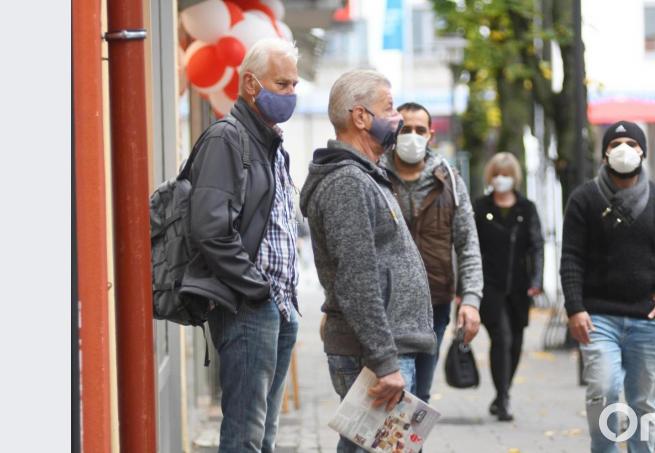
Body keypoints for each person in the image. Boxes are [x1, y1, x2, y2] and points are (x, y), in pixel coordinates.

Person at [299, 70, 436, 453]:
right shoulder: (348, 183)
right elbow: (357, 279)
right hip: (375, 354)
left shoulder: (365, 176)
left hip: (384, 348)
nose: (397, 118)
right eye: (389, 108)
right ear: (360, 116)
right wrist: (385, 361)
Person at [184, 38, 301, 453]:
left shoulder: (271, 144)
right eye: (282, 84)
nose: (291, 93)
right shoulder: (227, 139)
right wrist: (257, 290)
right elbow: (211, 230)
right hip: (248, 307)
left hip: (277, 307)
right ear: (251, 84)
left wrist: (280, 300)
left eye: (294, 84)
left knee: (264, 433)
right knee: (245, 436)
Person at [560, 120, 655, 452]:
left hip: (648, 318)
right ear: (604, 154)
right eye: (615, 144)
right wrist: (575, 308)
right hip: (598, 318)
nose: (623, 150)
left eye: (631, 143)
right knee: (603, 391)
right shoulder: (584, 199)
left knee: (643, 402)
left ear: (642, 151)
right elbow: (571, 257)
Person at [379, 102, 483, 404]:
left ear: (430, 135)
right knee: (395, 391)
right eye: (405, 129)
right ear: (393, 132)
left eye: (419, 130)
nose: (412, 136)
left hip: (434, 302)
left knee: (419, 395)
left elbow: (468, 244)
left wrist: (471, 300)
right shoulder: (375, 176)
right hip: (386, 304)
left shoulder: (449, 181)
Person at [473, 152, 544, 421]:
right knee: (501, 338)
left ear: (514, 177)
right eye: (496, 174)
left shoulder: (527, 208)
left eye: (506, 174)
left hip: (519, 286)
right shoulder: (480, 207)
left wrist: (536, 280)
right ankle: (503, 398)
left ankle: (503, 392)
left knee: (515, 342)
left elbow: (536, 246)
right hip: (489, 286)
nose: (501, 179)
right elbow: (469, 247)